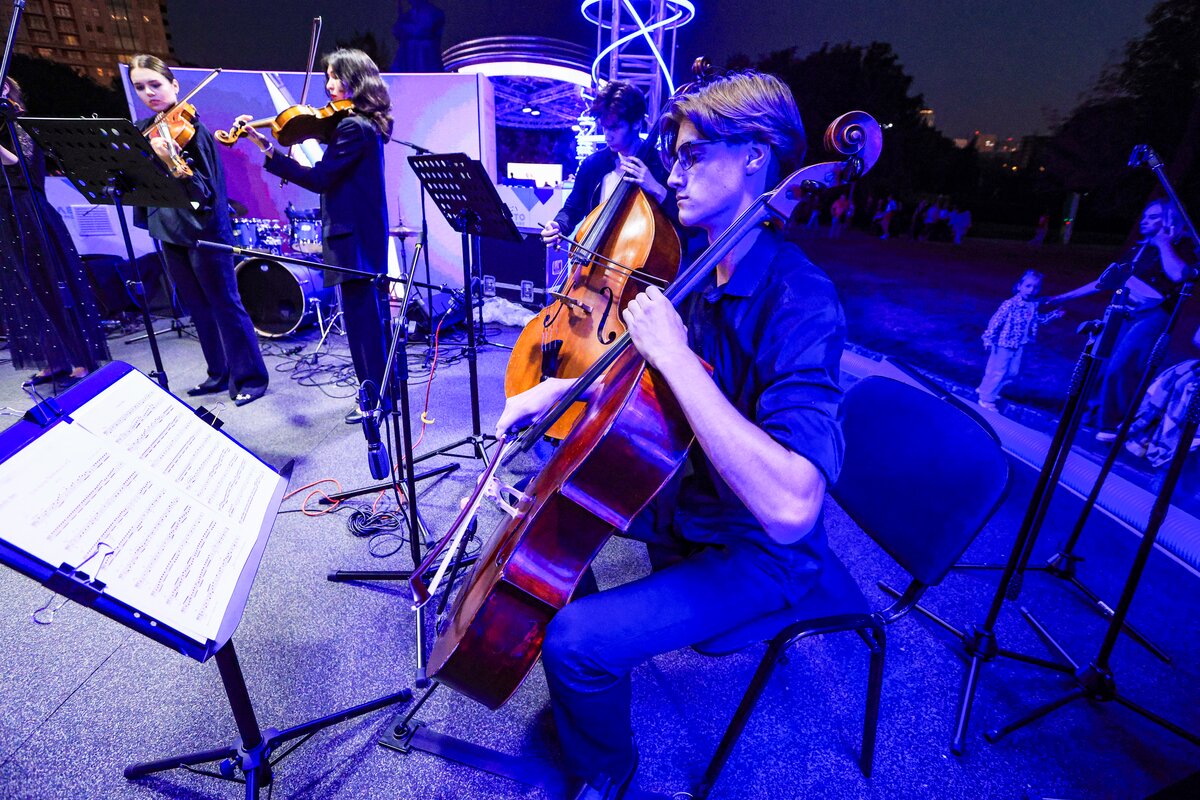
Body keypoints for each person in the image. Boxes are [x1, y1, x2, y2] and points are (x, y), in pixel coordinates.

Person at [498, 71, 844, 800]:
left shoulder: (801, 298)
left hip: (758, 548)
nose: (674, 174)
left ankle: (607, 768)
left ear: (754, 156)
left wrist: (677, 356)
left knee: (575, 643)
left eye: (692, 156)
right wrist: (557, 392)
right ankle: (586, 700)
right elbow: (637, 374)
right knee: (538, 514)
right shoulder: (699, 265)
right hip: (689, 498)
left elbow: (791, 507)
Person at [233, 49, 391, 424]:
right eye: (327, 77)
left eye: (336, 76)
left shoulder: (352, 127)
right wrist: (263, 140)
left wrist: (269, 152)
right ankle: (383, 393)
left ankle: (374, 400)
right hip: (361, 234)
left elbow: (321, 178)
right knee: (370, 321)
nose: (329, 84)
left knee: (362, 327)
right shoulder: (360, 124)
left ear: (357, 79)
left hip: (353, 239)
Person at [128, 55, 268, 406]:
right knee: (196, 304)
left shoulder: (193, 132)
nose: (149, 93)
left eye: (155, 84)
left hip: (203, 229)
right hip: (168, 227)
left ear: (174, 85)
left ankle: (251, 378)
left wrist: (171, 160)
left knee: (225, 303)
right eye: (140, 87)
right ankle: (218, 372)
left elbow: (204, 191)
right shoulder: (144, 129)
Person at [1043, 199, 1198, 440]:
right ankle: (1091, 414)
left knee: (1123, 366)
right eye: (1145, 216)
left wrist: (1164, 243)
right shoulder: (1138, 250)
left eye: (1153, 217)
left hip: (1154, 315)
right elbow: (1108, 280)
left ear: (1169, 220)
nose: (1145, 221)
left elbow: (1178, 275)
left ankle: (1114, 424)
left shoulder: (1183, 247)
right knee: (1101, 362)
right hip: (1124, 309)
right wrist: (1063, 297)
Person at [0, 76, 109, 389]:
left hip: (29, 211)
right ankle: (54, 360)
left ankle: (80, 358)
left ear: (5, 89)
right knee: (25, 290)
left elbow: (22, 166)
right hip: (5, 215)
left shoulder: (21, 123)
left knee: (52, 284)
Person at [541, 80, 674, 248]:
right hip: (595, 254)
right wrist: (559, 225)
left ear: (637, 123)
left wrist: (656, 188)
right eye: (604, 127)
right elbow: (573, 208)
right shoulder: (593, 165)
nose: (607, 136)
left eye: (615, 128)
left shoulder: (662, 165)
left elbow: (685, 224)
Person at [976, 270, 1064, 410]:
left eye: (1035, 287)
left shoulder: (1033, 305)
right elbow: (996, 321)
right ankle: (986, 399)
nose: (1031, 290)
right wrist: (988, 337)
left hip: (1020, 344)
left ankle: (987, 389)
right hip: (1004, 343)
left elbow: (1037, 320)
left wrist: (1054, 315)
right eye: (1028, 286)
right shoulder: (1010, 304)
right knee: (998, 371)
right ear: (1019, 286)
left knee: (1012, 372)